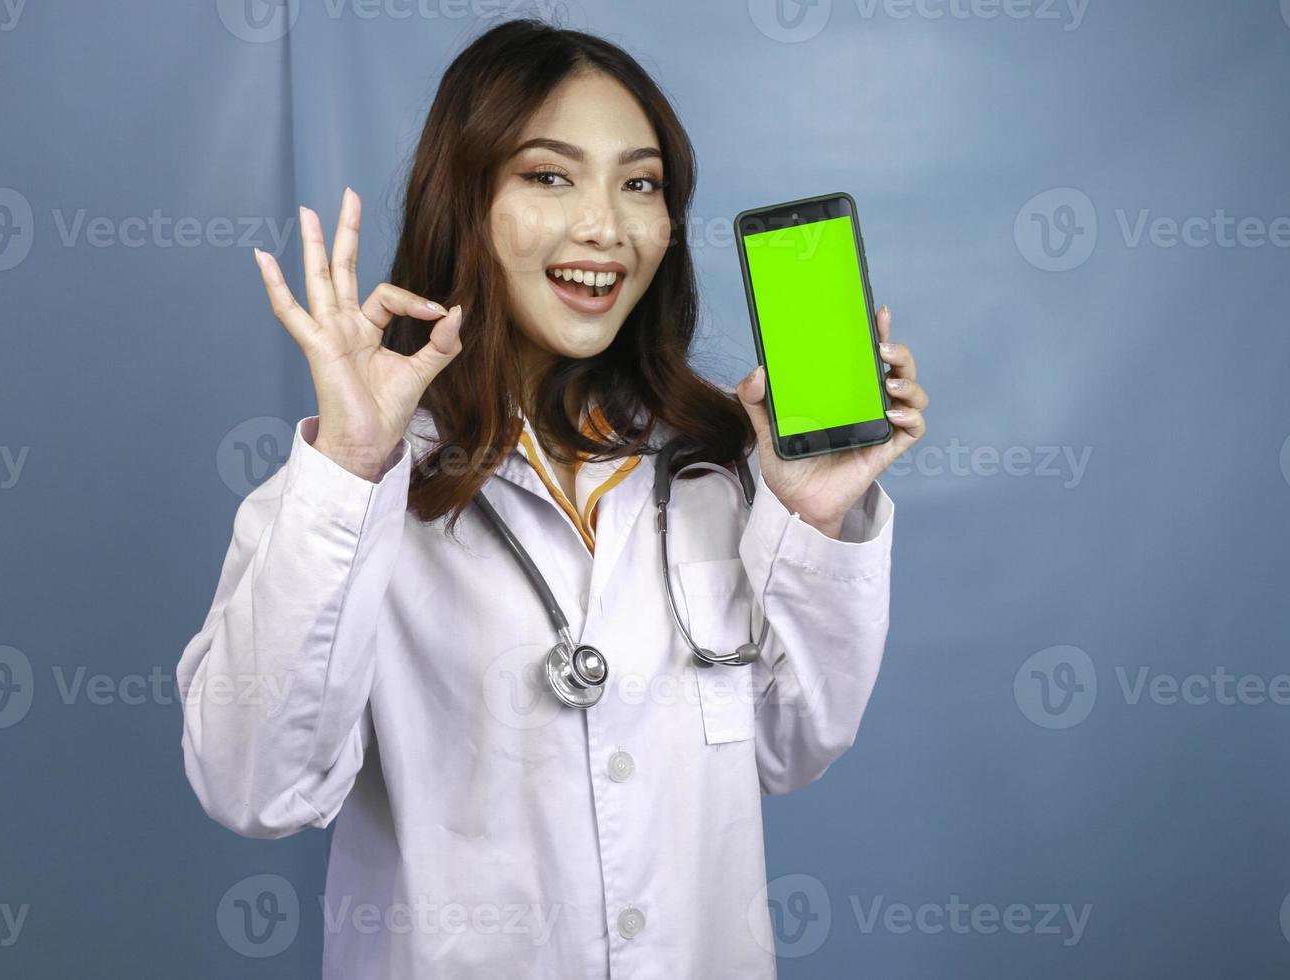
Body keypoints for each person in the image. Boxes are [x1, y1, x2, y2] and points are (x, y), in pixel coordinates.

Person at [176, 18, 927, 979]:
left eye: (641, 183)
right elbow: (255, 790)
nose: (605, 227)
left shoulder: (716, 470)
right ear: (467, 199)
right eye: (548, 175)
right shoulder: (349, 488)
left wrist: (812, 518)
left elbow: (788, 749)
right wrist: (355, 468)